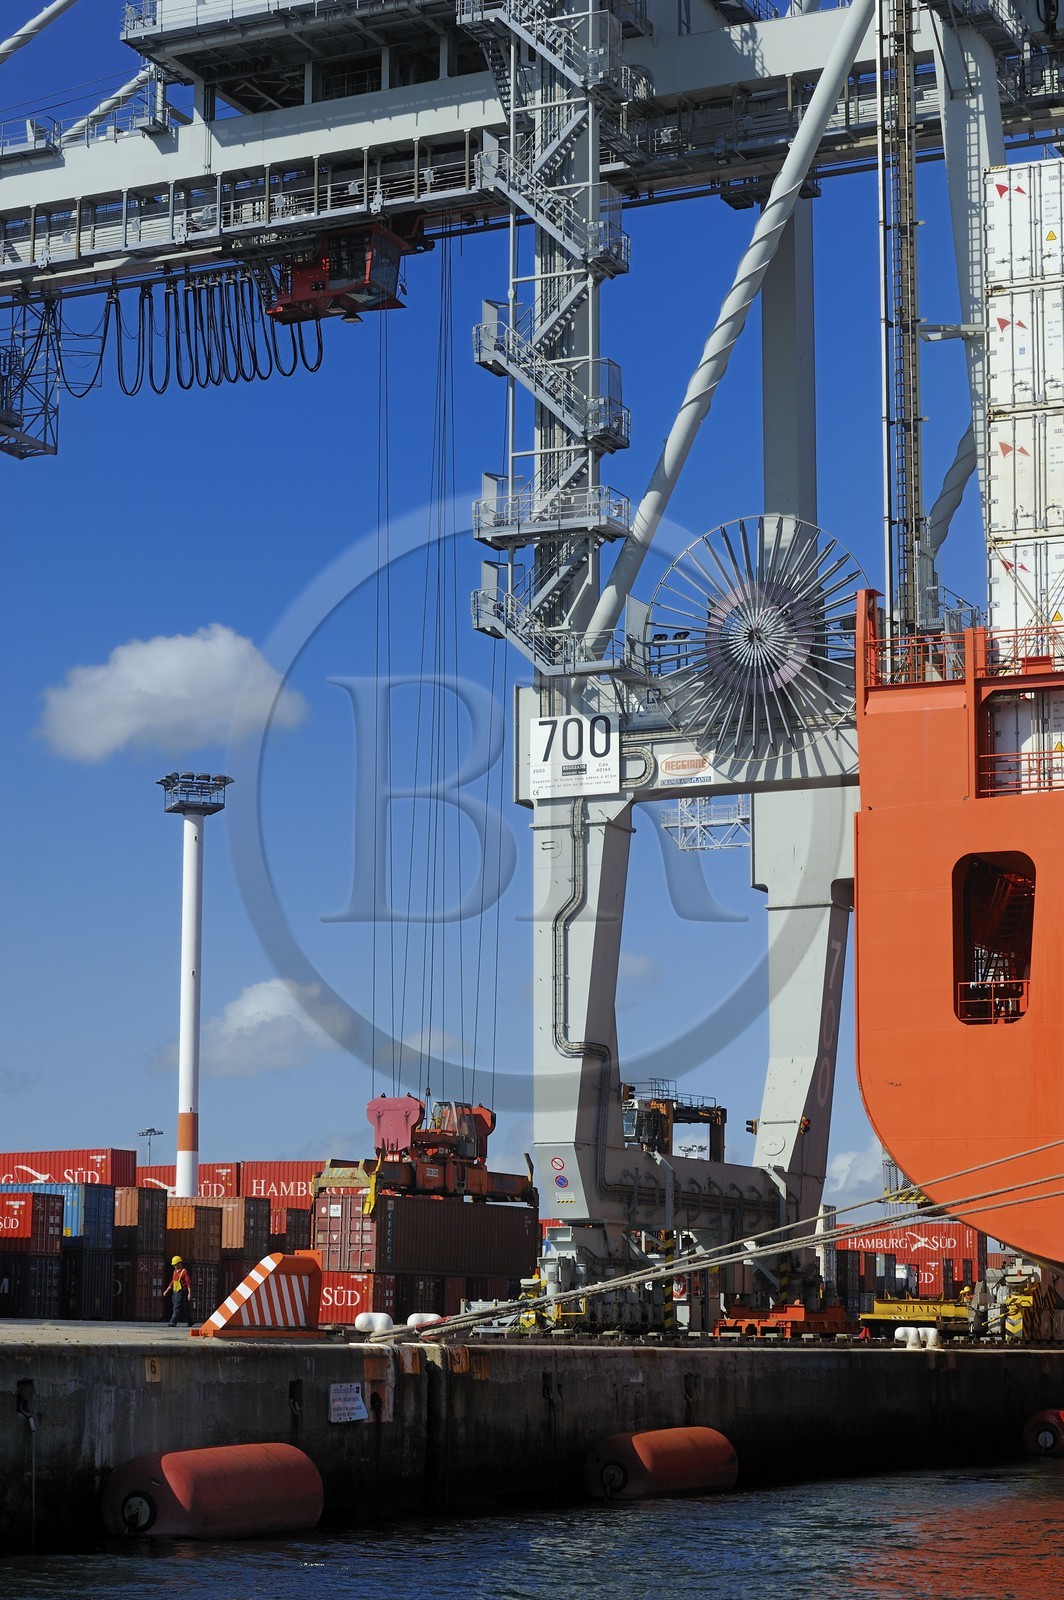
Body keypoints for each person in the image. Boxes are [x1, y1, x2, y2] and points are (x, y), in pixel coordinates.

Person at [164, 1256, 193, 1327]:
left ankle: (173, 1322)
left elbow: (188, 1283)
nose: (174, 1266)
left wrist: (189, 1294)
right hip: (175, 1292)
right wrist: (166, 1290)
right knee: (180, 1308)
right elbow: (172, 1282)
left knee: (176, 1307)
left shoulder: (184, 1272)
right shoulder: (175, 1272)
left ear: (179, 1263)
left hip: (181, 1292)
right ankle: (190, 1320)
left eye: (175, 1264)